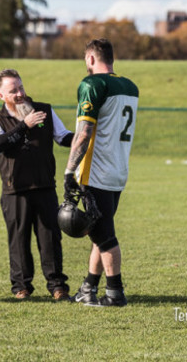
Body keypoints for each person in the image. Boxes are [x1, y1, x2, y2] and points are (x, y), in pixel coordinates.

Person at [0, 69, 74, 301]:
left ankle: (57, 287)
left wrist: (84, 137)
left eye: (21, 87)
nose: (19, 94)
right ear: (1, 96)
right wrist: (24, 125)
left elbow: (62, 136)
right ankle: (21, 288)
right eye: (13, 90)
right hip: (14, 190)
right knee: (18, 240)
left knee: (50, 239)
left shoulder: (44, 109)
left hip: (45, 186)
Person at [64, 38, 139, 307]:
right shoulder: (130, 86)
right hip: (119, 169)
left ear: (91, 59)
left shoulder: (92, 84)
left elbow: (84, 133)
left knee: (104, 234)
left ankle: (115, 292)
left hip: (96, 171)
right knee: (98, 231)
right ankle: (88, 288)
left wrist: (69, 170)